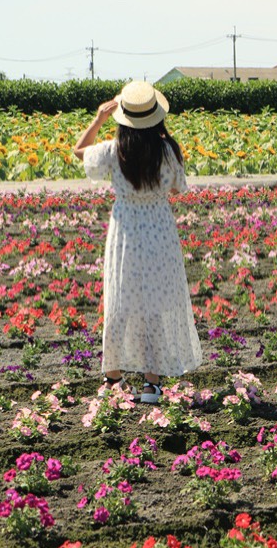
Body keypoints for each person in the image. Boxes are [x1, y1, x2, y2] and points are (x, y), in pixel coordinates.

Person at [73, 81, 202, 402]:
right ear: (156, 116)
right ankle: (151, 383)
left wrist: (98, 119)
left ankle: (113, 378)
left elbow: (78, 152)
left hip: (126, 231)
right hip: (159, 231)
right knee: (155, 304)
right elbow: (176, 189)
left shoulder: (112, 151)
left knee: (120, 301)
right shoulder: (169, 151)